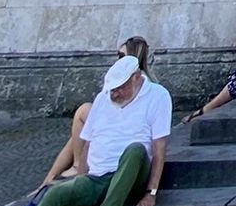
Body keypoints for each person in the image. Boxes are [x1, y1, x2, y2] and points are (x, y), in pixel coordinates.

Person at [5, 55, 169, 206]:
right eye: (112, 89)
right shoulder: (103, 99)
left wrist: (151, 193)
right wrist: (80, 181)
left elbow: (159, 148)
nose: (115, 94)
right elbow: (88, 144)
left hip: (132, 175)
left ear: (136, 78)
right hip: (96, 178)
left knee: (135, 150)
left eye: (120, 88)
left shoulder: (158, 96)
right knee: (54, 194)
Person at [42, 37, 154, 188]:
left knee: (83, 113)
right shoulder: (140, 80)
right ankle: (48, 180)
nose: (117, 60)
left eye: (121, 56)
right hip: (117, 129)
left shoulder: (137, 83)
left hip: (122, 134)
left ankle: (76, 166)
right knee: (81, 133)